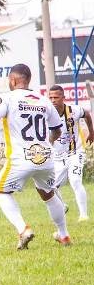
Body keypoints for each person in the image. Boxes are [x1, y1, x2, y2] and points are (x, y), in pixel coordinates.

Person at [0, 64, 71, 248]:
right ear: (28, 80)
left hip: (21, 158)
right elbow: (57, 130)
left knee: (1, 191)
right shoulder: (43, 100)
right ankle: (64, 235)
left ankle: (23, 229)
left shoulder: (7, 98)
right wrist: (45, 145)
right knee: (48, 194)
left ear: (13, 80)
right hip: (45, 157)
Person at [49, 84, 94, 222]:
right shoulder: (48, 113)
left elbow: (86, 113)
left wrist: (91, 132)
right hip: (57, 157)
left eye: (56, 97)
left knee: (75, 180)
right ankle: (63, 206)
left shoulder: (73, 110)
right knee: (51, 188)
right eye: (50, 97)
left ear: (63, 97)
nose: (53, 100)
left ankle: (84, 215)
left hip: (75, 152)